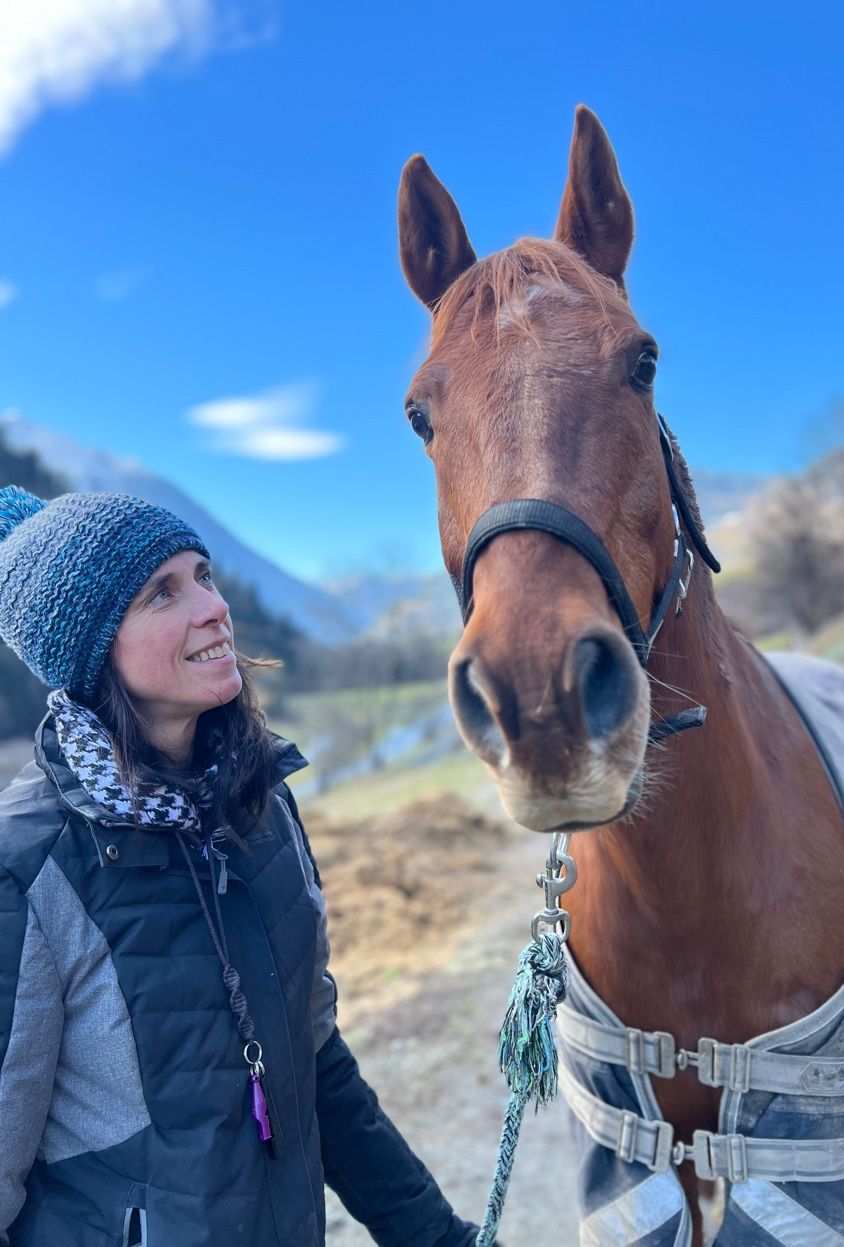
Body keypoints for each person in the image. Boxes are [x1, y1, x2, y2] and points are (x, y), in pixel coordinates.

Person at [0, 485, 484, 1247]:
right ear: (93, 650)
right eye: (163, 593)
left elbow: (313, 1065)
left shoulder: (260, 807)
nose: (213, 607)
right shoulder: (28, 867)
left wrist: (437, 1236)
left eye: (204, 575)